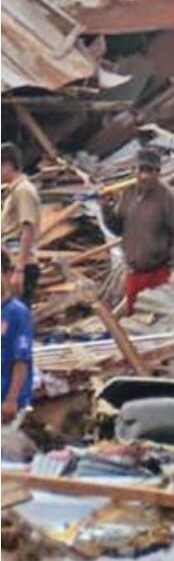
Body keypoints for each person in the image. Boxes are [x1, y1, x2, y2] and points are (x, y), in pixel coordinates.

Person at [102, 148, 174, 315]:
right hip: (134, 273)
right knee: (134, 318)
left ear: (157, 173)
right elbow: (118, 229)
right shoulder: (128, 194)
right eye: (140, 170)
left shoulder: (166, 198)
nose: (144, 176)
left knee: (156, 319)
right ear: (134, 171)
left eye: (149, 171)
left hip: (159, 273)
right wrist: (106, 209)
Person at [1, 144, 41, 304]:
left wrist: (19, 270)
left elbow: (28, 228)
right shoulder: (10, 191)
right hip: (9, 261)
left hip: (18, 262)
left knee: (15, 313)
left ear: (8, 165)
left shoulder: (23, 190)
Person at [2, 251, 33, 423]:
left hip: (6, 400)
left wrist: (11, 400)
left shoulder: (17, 312)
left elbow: (21, 359)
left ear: (7, 274)